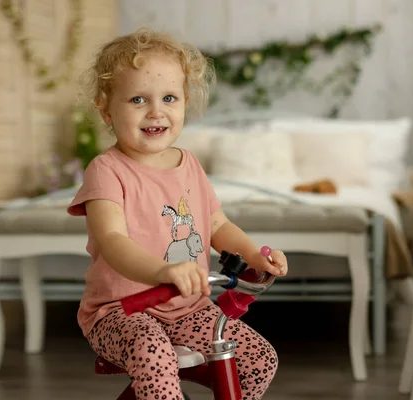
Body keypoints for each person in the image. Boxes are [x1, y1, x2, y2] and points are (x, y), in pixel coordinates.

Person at [67, 27, 288, 400]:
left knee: (258, 359)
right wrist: (163, 271)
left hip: (188, 308)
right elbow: (113, 240)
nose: (156, 111)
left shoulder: (190, 165)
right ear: (106, 108)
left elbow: (217, 224)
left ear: (185, 101)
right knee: (153, 353)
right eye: (138, 99)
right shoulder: (107, 171)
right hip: (121, 313)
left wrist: (253, 254)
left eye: (169, 97)